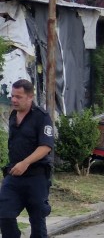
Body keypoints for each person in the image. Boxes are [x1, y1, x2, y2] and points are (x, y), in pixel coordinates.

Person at [0, 79, 54, 238]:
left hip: (36, 177)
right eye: (12, 96)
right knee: (4, 214)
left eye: (18, 97)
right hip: (14, 175)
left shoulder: (42, 117)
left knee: (38, 223)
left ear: (30, 97)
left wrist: (25, 163)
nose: (14, 100)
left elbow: (46, 146)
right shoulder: (12, 116)